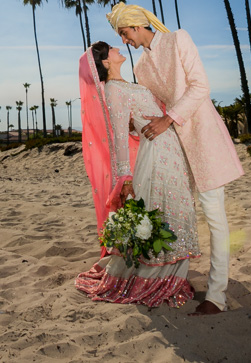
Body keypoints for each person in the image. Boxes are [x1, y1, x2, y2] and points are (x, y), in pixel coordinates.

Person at [106, 3, 244, 316]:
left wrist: (168, 119)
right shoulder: (140, 67)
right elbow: (152, 107)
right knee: (178, 218)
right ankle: (173, 279)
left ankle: (217, 296)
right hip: (172, 153)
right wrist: (137, 123)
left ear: (138, 25)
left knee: (214, 216)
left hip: (204, 140)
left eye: (125, 33)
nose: (125, 41)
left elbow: (200, 87)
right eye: (121, 37)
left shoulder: (179, 39)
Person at [75, 41, 200, 308]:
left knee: (176, 208)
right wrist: (125, 176)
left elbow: (134, 126)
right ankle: (160, 277)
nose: (119, 48)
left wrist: (140, 125)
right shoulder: (113, 89)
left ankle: (172, 273)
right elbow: (119, 135)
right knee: (163, 210)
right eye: (111, 49)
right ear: (106, 63)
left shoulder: (126, 85)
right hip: (155, 154)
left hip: (168, 148)